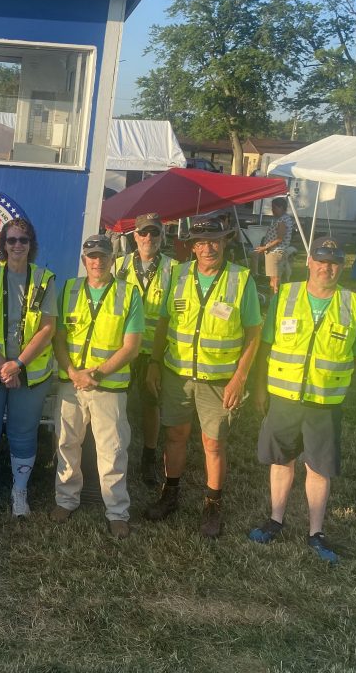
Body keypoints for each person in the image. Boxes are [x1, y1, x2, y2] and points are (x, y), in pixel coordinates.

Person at [247, 238, 356, 564]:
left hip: (324, 403)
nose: (326, 268)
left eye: (333, 262)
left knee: (318, 468)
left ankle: (315, 532)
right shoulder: (285, 296)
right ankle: (275, 520)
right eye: (320, 260)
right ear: (309, 261)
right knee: (281, 460)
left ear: (341, 266)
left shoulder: (355, 305)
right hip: (284, 398)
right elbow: (266, 346)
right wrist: (260, 389)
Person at [144, 214, 262, 538]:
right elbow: (165, 321)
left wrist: (239, 378)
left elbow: (254, 333)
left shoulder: (241, 280)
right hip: (176, 374)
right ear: (192, 247)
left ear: (225, 242)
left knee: (213, 443)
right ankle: (170, 494)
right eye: (202, 242)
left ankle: (212, 506)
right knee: (175, 436)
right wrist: (154, 362)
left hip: (219, 379)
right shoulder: (179, 275)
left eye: (215, 240)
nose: (209, 247)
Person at [51, 234, 143, 539]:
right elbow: (59, 338)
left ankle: (117, 511)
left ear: (111, 258)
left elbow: (131, 346)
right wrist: (72, 371)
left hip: (108, 387)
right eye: (91, 256)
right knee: (66, 443)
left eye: (103, 256)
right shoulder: (69, 289)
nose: (97, 262)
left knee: (113, 450)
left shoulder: (128, 294)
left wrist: (98, 374)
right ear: (84, 260)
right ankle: (66, 499)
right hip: (71, 383)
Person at [0, 217, 57, 517]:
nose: (17, 245)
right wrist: (2, 367)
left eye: (24, 240)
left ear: (32, 245)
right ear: (3, 245)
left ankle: (19, 492)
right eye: (11, 240)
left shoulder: (45, 279)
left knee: (23, 432)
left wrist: (17, 365)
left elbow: (47, 329)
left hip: (29, 373)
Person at [114, 213, 176, 487]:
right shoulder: (118, 265)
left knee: (151, 404)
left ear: (162, 236)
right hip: (123, 349)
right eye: (143, 233)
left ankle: (148, 458)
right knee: (118, 404)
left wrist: (157, 358)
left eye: (154, 232)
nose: (148, 238)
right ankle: (115, 455)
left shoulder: (175, 269)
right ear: (134, 236)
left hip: (154, 351)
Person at [253, 197, 295, 294]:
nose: (273, 210)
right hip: (275, 252)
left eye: (274, 208)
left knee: (274, 279)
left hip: (275, 252)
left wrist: (265, 247)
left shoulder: (282, 221)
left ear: (282, 207)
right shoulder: (283, 219)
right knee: (274, 278)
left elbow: (279, 239)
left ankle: (274, 298)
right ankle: (274, 297)